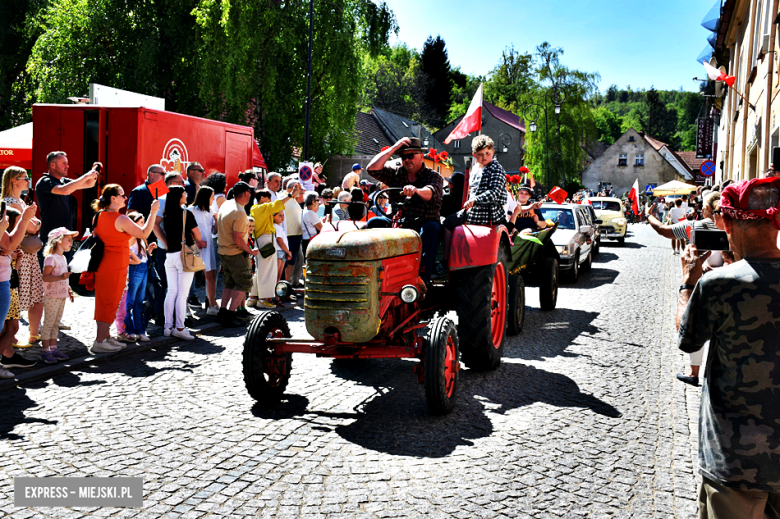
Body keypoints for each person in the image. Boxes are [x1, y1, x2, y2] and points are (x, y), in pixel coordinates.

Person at [678, 177, 780, 517]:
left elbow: (687, 339)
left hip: (735, 461)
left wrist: (687, 283)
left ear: (726, 223)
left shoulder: (718, 284)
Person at [90, 184, 158, 353]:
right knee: (110, 302)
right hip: (115, 265)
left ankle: (105, 337)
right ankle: (100, 340)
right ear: (113, 198)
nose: (125, 198)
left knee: (105, 302)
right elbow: (143, 233)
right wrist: (153, 212)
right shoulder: (120, 218)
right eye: (122, 195)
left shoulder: (98, 216)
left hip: (104, 263)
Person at [367, 137, 443, 284]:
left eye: (410, 156)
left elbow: (431, 191)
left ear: (421, 156)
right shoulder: (395, 173)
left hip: (422, 222)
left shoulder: (433, 176)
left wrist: (417, 191)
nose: (406, 159)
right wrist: (394, 148)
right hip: (398, 222)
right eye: (403, 156)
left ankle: (423, 279)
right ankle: (375, 272)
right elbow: (372, 169)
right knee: (374, 222)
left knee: (431, 228)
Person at [2, 167, 45, 345]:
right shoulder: (10, 202)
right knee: (17, 298)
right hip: (18, 254)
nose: (28, 181)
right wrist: (32, 221)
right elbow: (33, 227)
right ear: (13, 180)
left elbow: (35, 224)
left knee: (36, 295)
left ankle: (32, 334)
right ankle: (9, 338)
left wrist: (32, 221)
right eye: (24, 178)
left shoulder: (19, 201)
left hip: (27, 254)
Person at [0, 202, 38, 378]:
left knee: (8, 326)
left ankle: (6, 357)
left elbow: (8, 246)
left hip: (5, 281)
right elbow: (8, 246)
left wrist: (25, 218)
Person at [35, 151, 98, 250]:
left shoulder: (64, 181)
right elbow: (64, 190)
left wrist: (94, 171)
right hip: (51, 238)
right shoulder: (44, 181)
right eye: (64, 163)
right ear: (53, 165)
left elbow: (89, 184)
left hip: (66, 237)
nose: (67, 166)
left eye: (67, 163)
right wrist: (87, 175)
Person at [162, 185, 202, 340]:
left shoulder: (166, 213)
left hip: (170, 255)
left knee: (171, 291)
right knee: (182, 293)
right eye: (184, 193)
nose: (186, 195)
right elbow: (198, 236)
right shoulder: (186, 213)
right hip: (184, 255)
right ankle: (179, 327)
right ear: (179, 196)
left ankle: (167, 327)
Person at [217, 182, 258, 326]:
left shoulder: (227, 204)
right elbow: (238, 240)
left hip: (224, 251)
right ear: (246, 193)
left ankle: (223, 312)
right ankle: (230, 314)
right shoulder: (239, 213)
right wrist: (251, 251)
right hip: (235, 253)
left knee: (229, 283)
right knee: (243, 284)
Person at [151, 172, 187, 325]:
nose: (184, 185)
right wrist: (166, 243)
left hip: (180, 249)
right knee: (164, 283)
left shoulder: (181, 202)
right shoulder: (162, 200)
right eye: (180, 182)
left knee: (179, 284)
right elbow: (154, 224)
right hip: (164, 250)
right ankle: (160, 315)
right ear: (171, 184)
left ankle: (176, 315)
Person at [39, 227, 77, 363]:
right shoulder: (50, 258)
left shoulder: (62, 258)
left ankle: (54, 349)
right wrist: (61, 277)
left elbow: (63, 278)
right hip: (51, 296)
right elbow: (45, 277)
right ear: (58, 240)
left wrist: (68, 288)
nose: (71, 242)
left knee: (56, 323)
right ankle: (45, 351)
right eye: (69, 239)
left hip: (61, 295)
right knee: (48, 323)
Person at [248, 189, 289, 309]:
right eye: (268, 198)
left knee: (260, 270)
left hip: (260, 239)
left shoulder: (254, 209)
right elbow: (277, 205)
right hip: (266, 239)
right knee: (268, 271)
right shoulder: (263, 207)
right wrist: (290, 195)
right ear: (261, 198)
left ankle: (252, 297)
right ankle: (263, 299)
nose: (270, 201)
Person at [123, 212, 153, 342]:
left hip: (143, 267)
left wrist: (149, 250)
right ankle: (128, 330)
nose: (143, 225)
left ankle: (140, 330)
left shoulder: (141, 237)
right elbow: (125, 255)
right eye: (141, 222)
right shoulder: (131, 237)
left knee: (139, 302)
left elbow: (142, 254)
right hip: (135, 269)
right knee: (130, 301)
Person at [189, 186, 218, 315]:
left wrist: (217, 221)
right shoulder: (190, 210)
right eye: (212, 196)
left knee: (210, 276)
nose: (213, 199)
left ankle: (211, 305)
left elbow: (214, 231)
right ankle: (184, 306)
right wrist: (195, 241)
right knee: (190, 276)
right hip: (194, 247)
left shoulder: (211, 212)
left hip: (208, 247)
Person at [301, 191, 323, 256]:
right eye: (317, 200)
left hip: (305, 239)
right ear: (313, 202)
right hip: (311, 240)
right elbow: (321, 228)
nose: (319, 202)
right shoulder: (311, 213)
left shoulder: (304, 211)